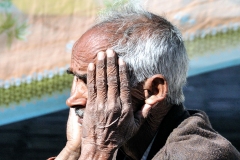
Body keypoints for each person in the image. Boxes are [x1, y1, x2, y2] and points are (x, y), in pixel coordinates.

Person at [49, 3, 240, 160]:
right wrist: (72, 151)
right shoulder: (122, 143)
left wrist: (98, 149)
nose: (72, 100)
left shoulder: (198, 155)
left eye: (92, 83)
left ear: (154, 91)